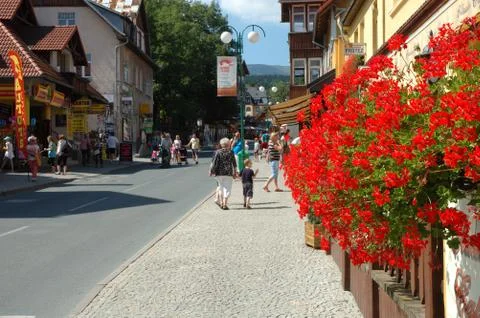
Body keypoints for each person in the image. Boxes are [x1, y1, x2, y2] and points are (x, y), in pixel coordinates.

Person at [210, 137, 237, 210]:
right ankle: (225, 203)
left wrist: (211, 171)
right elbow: (234, 163)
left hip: (218, 173)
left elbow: (214, 162)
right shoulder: (231, 152)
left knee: (220, 188)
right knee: (227, 188)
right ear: (228, 144)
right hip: (228, 173)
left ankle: (221, 202)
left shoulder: (217, 152)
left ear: (221, 144)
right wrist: (235, 172)